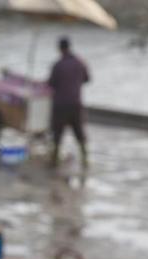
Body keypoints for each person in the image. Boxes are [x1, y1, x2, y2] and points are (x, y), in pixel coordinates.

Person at [48, 37, 90, 169]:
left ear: (60, 48)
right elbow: (87, 79)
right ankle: (85, 159)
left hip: (60, 104)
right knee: (79, 132)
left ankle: (54, 159)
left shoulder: (58, 65)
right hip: (76, 104)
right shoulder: (80, 63)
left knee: (58, 133)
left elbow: (51, 83)